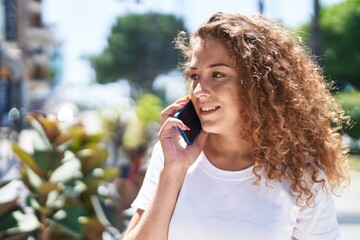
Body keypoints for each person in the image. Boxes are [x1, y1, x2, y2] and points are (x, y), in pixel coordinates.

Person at [123, 12, 349, 240]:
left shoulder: (303, 173)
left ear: (258, 83)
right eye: (195, 76)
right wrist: (172, 173)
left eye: (218, 74)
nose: (199, 90)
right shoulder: (173, 153)